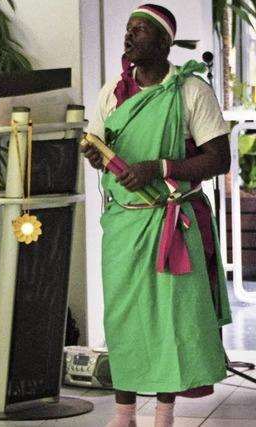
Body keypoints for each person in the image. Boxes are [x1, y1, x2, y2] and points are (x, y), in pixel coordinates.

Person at [81, 4, 231, 427]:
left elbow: (218, 159)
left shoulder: (190, 91)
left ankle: (164, 413)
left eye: (141, 30)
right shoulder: (112, 92)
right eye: (128, 30)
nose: (130, 37)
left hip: (170, 220)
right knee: (123, 316)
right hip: (124, 223)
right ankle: (124, 413)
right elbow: (105, 153)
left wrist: (161, 168)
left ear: (165, 41)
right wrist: (97, 156)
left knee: (169, 318)